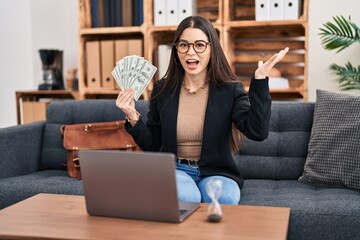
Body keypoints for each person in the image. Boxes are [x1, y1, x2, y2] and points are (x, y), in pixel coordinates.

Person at [116, 16, 289, 205]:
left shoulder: (230, 90)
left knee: (225, 200)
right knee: (186, 197)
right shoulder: (162, 89)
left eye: (199, 45)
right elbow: (153, 144)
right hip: (177, 170)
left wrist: (260, 81)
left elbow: (258, 132)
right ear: (176, 50)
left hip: (218, 172)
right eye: (184, 45)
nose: (191, 52)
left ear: (211, 49)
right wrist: (132, 116)